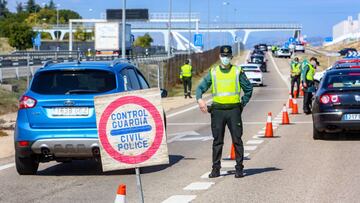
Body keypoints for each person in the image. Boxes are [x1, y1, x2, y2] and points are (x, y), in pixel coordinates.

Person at [196, 45, 253, 178]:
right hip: (218, 112)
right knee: (217, 141)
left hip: (234, 111)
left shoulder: (237, 71)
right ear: (220, 56)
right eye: (223, 56)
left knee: (237, 140)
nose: (225, 58)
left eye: (227, 56)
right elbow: (200, 88)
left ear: (231, 57)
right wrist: (199, 100)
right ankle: (216, 169)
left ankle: (239, 168)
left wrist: (241, 104)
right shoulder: (214, 72)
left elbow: (249, 89)